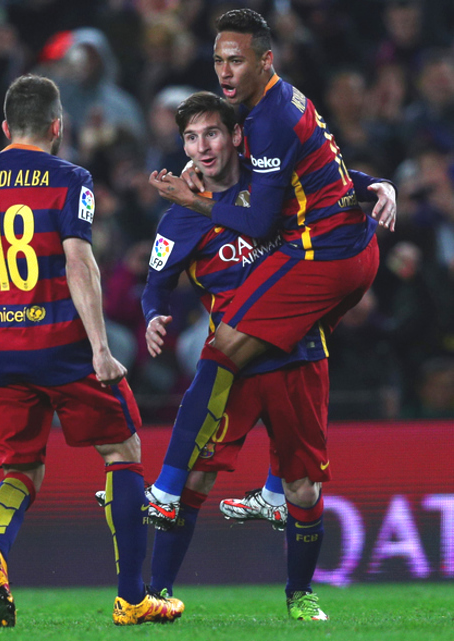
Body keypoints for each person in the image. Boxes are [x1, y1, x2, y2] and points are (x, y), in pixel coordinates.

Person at [95, 91, 395, 616]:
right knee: (198, 477)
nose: (202, 146)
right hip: (234, 367)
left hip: (299, 354)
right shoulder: (179, 220)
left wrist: (377, 184)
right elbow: (154, 287)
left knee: (303, 488)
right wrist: (153, 318)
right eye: (191, 137)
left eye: (212, 132)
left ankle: (300, 597)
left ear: (235, 136)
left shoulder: (270, 183)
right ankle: (159, 592)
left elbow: (333, 178)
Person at [0, 74, 183, 627]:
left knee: (22, 468)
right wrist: (101, 347)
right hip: (65, 349)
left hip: (0, 358)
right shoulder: (71, 177)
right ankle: (132, 597)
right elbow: (79, 262)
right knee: (122, 450)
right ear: (58, 126)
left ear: (6, 128)